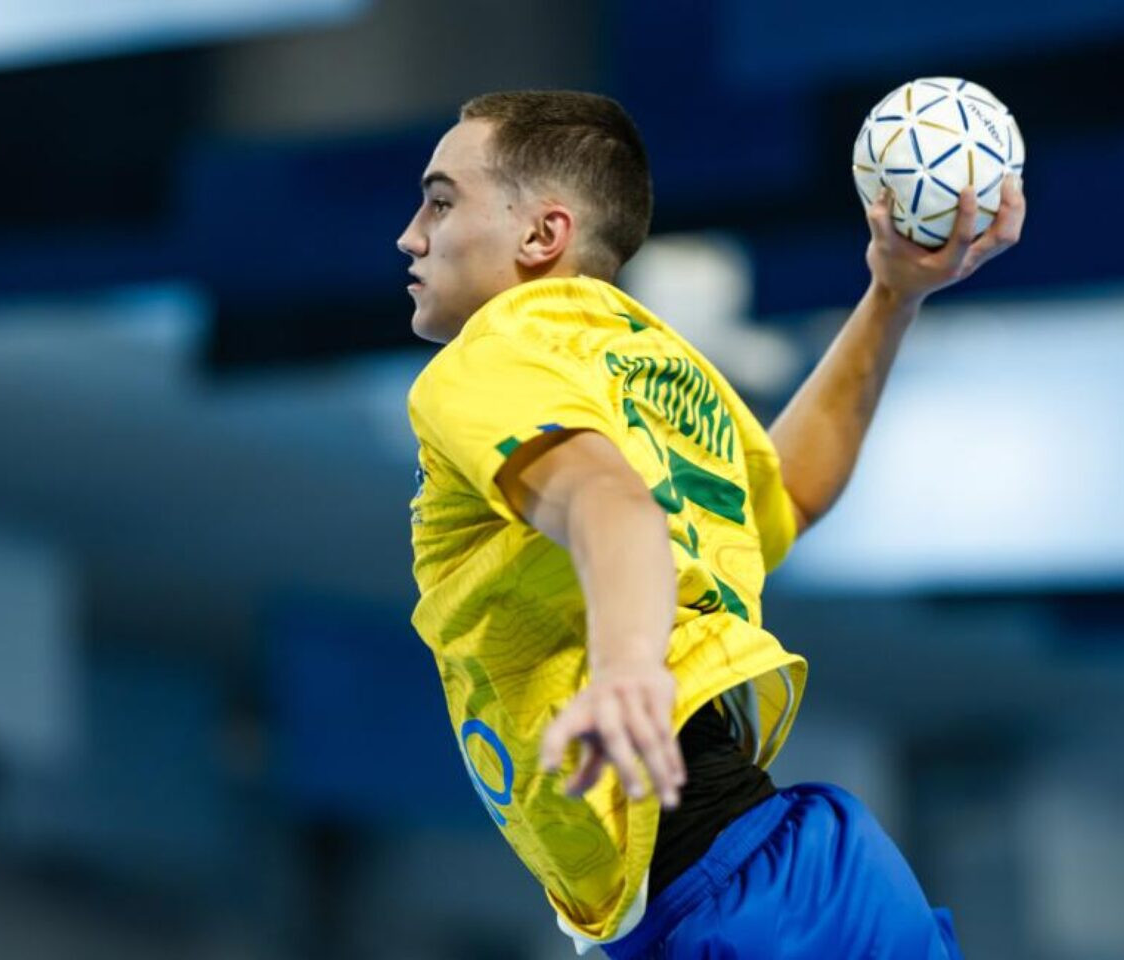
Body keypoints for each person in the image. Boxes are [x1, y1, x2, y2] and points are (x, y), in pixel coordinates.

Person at [400, 90, 1024, 958]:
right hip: (806, 876)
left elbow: (608, 502)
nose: (412, 236)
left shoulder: (491, 355)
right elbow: (788, 495)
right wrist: (891, 296)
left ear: (542, 235)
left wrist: (628, 670)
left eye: (440, 202)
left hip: (733, 908)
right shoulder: (655, 371)